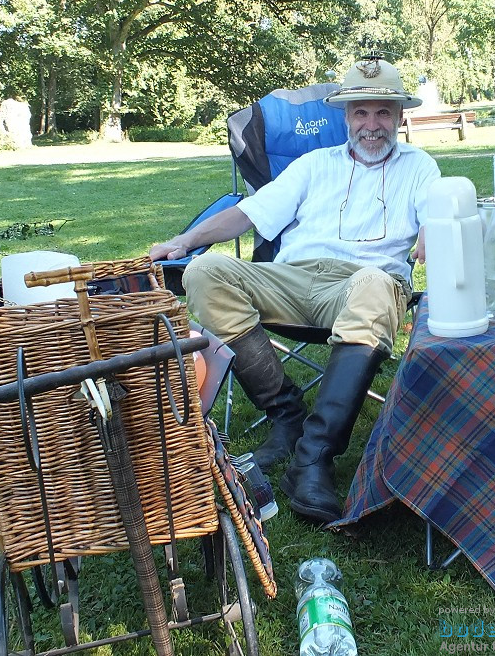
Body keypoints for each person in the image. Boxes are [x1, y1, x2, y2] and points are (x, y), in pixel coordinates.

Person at [149, 57, 441, 523]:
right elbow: (249, 214)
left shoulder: (419, 166)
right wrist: (184, 241)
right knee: (205, 273)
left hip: (362, 284)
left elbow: (437, 211)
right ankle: (286, 414)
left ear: (400, 117)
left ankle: (313, 458)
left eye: (383, 112)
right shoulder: (313, 164)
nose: (371, 125)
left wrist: (436, 227)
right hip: (292, 278)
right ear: (345, 116)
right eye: (360, 112)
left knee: (374, 284)